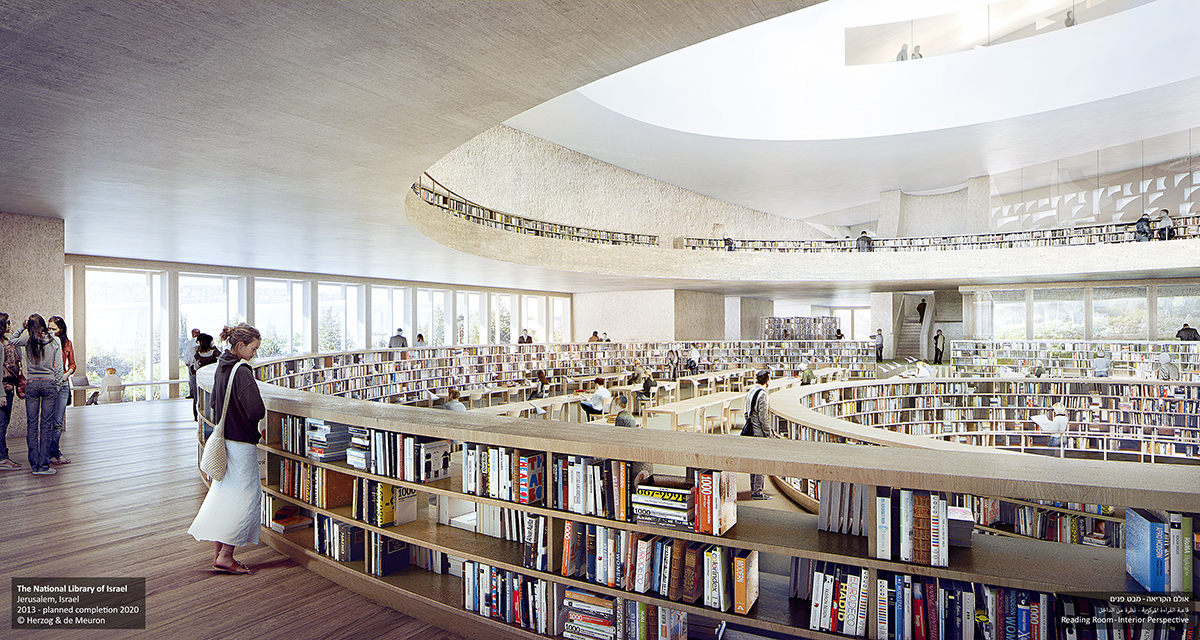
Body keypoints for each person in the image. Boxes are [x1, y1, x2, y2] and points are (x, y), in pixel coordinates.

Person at [188, 323, 266, 574]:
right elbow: (256, 410)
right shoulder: (242, 371)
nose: (255, 354)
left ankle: (218, 554)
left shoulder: (221, 367)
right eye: (253, 348)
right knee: (245, 497)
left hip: (225, 441)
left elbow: (213, 402)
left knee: (224, 495)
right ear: (240, 346)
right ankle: (226, 554)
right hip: (241, 442)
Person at [10, 314, 63, 475]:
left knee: (32, 426)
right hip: (49, 384)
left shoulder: (28, 340)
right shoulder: (55, 340)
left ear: (29, 326)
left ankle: (35, 466)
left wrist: (22, 326)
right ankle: (44, 465)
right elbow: (59, 367)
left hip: (32, 385)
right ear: (43, 325)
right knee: (46, 425)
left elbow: (12, 340)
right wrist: (58, 385)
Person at [741, 370, 775, 500]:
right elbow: (764, 418)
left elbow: (746, 413)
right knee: (761, 462)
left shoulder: (750, 392)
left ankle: (753, 487)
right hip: (759, 433)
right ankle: (758, 492)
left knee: (753, 461)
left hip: (750, 431)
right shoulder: (763, 396)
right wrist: (769, 433)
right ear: (767, 381)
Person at [47, 316, 74, 466]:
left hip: (63, 384)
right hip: (49, 384)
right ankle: (52, 453)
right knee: (48, 422)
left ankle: (55, 452)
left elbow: (72, 365)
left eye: (54, 329)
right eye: (49, 328)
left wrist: (66, 375)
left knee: (57, 422)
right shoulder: (46, 343)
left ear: (60, 330)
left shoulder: (67, 343)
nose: (51, 332)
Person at [0, 313, 23, 470]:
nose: (9, 325)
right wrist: (1, 393)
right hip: (3, 388)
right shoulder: (1, 345)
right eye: (7, 323)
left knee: (4, 423)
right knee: (2, 423)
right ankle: (2, 458)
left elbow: (19, 360)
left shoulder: (7, 343)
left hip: (9, 387)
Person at [192, 333, 220, 419]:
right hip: (213, 379)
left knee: (198, 397)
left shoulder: (197, 355)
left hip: (201, 380)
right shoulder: (216, 353)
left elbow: (195, 367)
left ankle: (198, 416)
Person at [183, 328, 200, 399]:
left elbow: (188, 352)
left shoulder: (195, 342)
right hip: (192, 364)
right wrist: (187, 361)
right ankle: (193, 393)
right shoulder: (191, 342)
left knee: (194, 380)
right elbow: (186, 353)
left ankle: (195, 394)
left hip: (194, 364)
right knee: (192, 380)